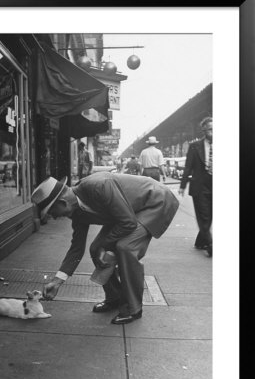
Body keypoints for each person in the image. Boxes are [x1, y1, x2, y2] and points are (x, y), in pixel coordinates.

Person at [31, 172, 179, 325]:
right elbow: (76, 248)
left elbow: (128, 223)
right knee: (96, 249)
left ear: (62, 203)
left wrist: (106, 246)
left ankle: (133, 308)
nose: (54, 217)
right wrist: (57, 282)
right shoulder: (76, 212)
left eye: (52, 212)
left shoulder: (100, 186)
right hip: (126, 212)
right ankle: (114, 297)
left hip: (154, 201)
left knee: (125, 247)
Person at [179, 117, 213, 257]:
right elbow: (188, 167)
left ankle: (200, 241)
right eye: (210, 129)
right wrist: (182, 185)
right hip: (200, 186)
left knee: (210, 216)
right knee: (204, 216)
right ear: (204, 130)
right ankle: (210, 245)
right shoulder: (195, 146)